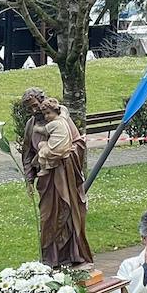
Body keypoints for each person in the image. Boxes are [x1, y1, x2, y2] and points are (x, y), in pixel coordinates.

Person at [21, 90, 94, 269]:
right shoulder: (31, 125)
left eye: (35, 105)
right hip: (46, 180)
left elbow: (78, 143)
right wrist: (29, 177)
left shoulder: (63, 119)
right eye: (30, 108)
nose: (34, 110)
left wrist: (65, 156)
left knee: (68, 212)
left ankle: (74, 256)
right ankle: (51, 260)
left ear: (42, 100)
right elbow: (27, 152)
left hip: (64, 175)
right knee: (47, 217)